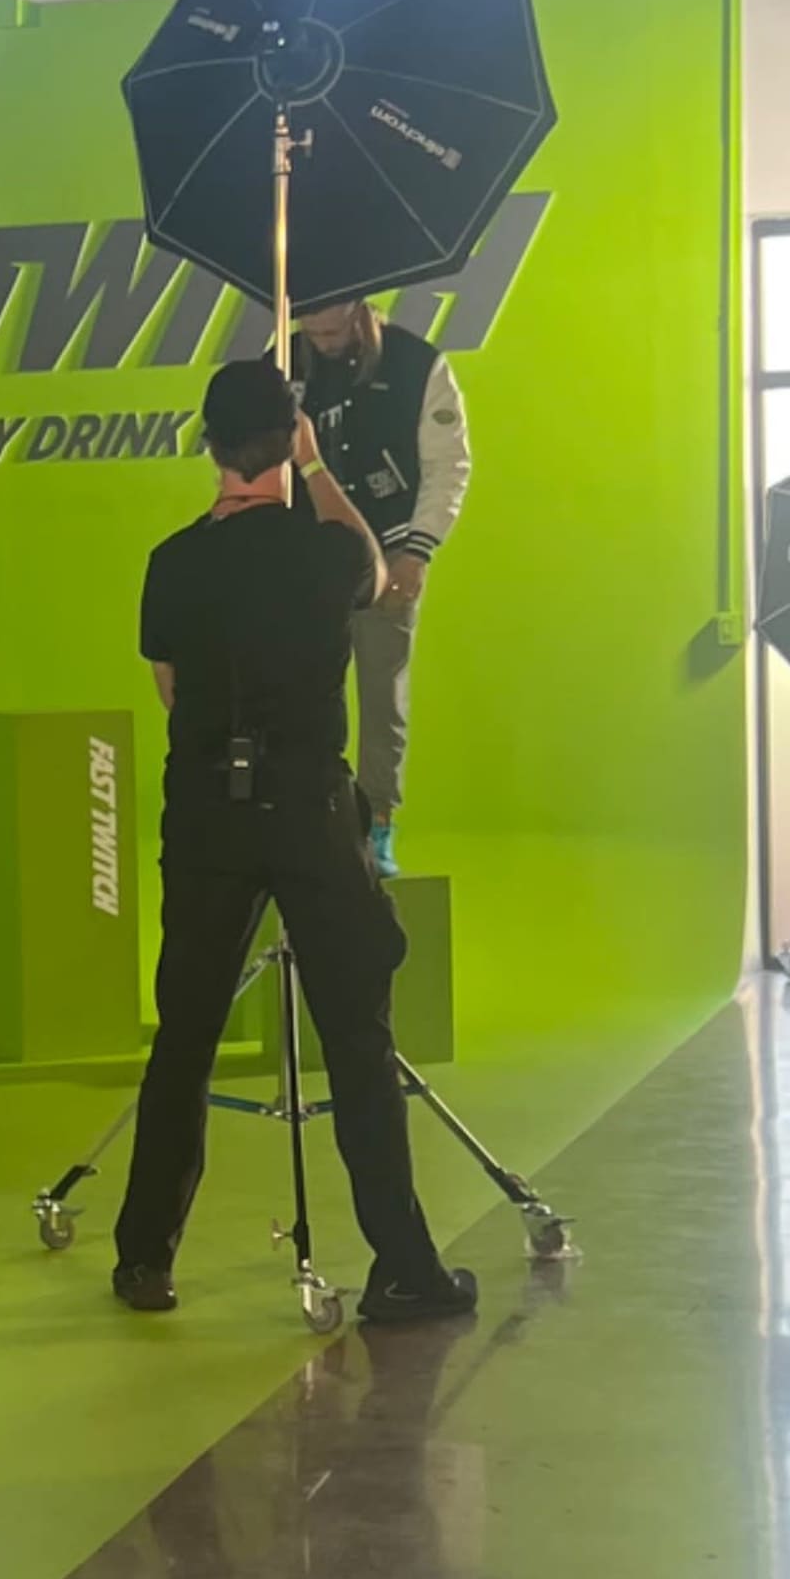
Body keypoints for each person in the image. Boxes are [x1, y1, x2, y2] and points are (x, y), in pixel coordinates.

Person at [109, 355, 475, 1330]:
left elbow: (173, 686)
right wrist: (318, 466)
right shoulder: (322, 552)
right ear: (293, 440)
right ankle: (402, 1266)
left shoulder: (171, 562)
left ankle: (145, 1257)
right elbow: (366, 559)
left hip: (204, 812)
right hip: (308, 809)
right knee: (356, 1034)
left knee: (183, 1036)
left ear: (210, 444)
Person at [292, 287, 469, 854]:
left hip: (389, 552)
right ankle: (308, 816)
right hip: (307, 553)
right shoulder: (281, 361)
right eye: (305, 318)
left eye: (327, 317)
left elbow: (448, 465)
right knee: (301, 690)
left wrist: (418, 551)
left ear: (356, 302)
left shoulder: (417, 363)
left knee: (381, 694)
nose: (315, 329)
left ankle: (378, 824)